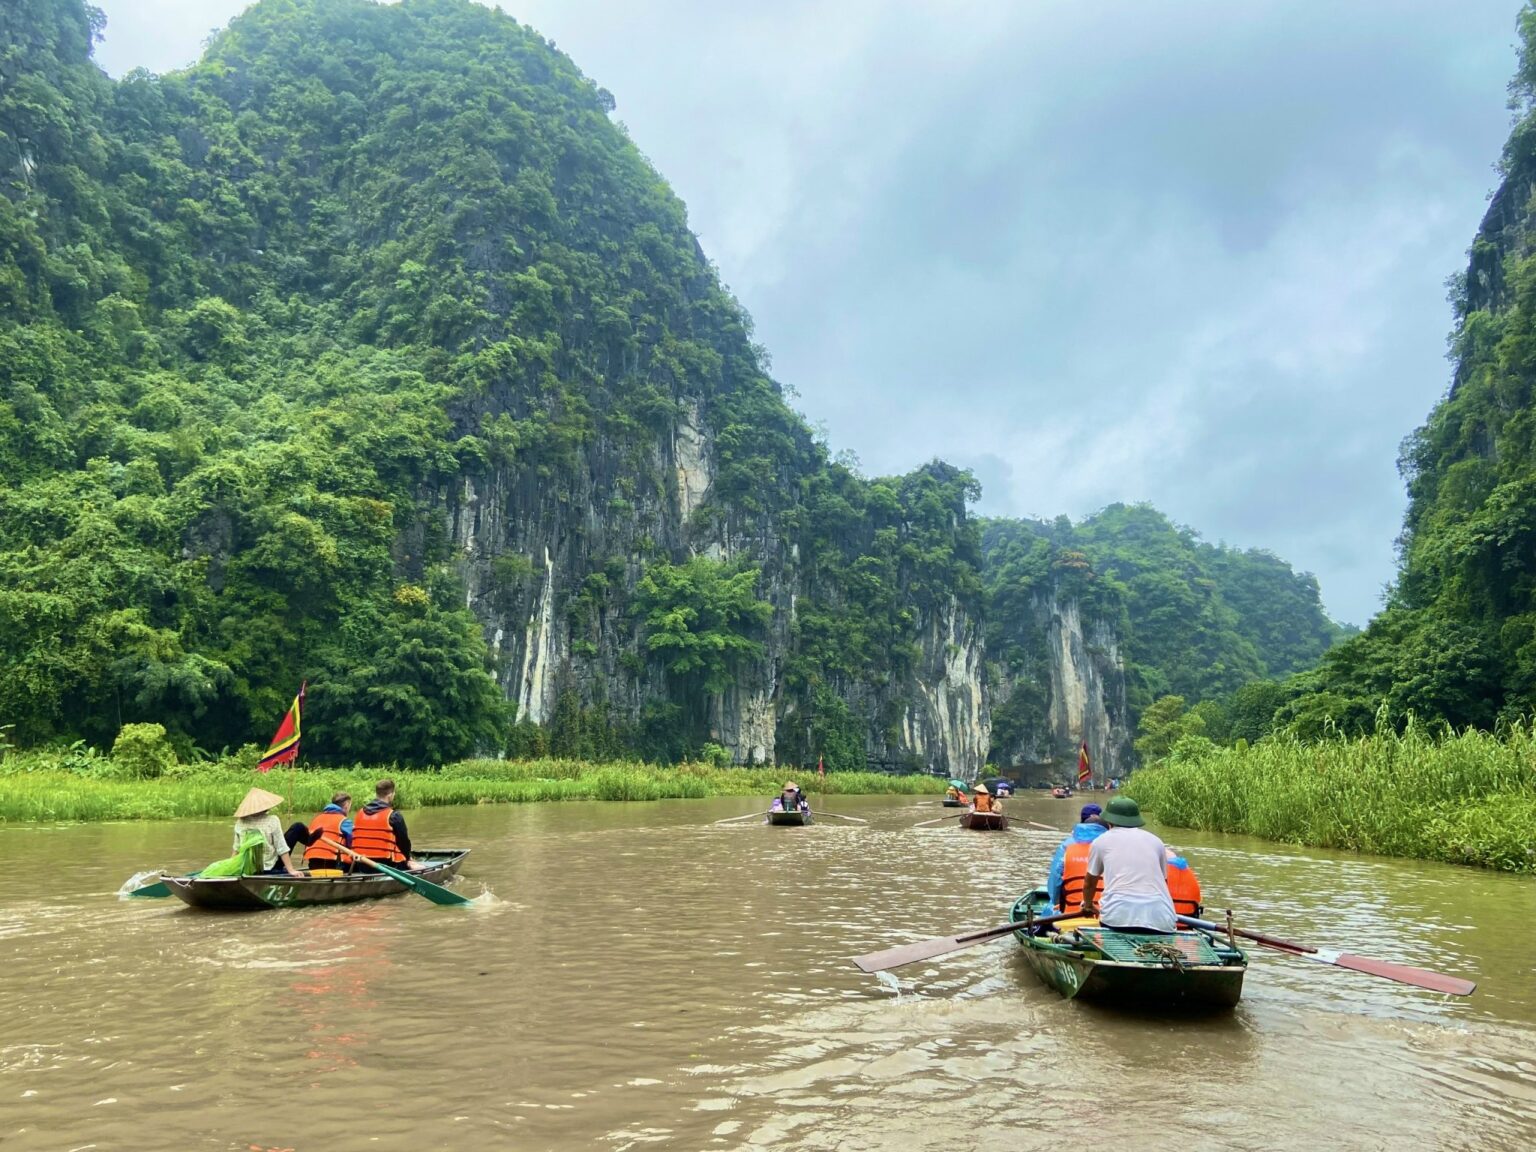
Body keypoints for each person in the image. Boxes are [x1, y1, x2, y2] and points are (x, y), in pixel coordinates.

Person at [1080, 797, 1177, 933]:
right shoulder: (1156, 841)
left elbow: (1089, 883)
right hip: (1162, 918)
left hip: (1117, 917)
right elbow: (1163, 882)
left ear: (1108, 820)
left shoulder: (1100, 842)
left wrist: (1088, 905)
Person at [231, 787, 303, 877]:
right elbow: (281, 847)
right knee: (297, 828)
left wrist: (232, 869)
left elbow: (236, 849)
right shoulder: (272, 820)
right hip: (268, 868)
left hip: (246, 868)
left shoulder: (240, 822)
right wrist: (291, 870)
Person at [1049, 803, 1107, 912]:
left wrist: (1057, 903)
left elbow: (1056, 879)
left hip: (1071, 911)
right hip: (1104, 913)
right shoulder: (1111, 848)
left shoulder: (1068, 846)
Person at [351, 779, 414, 867]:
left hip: (361, 864)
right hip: (385, 865)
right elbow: (403, 842)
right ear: (390, 795)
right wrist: (408, 859)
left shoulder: (359, 813)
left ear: (376, 794)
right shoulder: (393, 815)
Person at [302, 792, 355, 871]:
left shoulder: (316, 819)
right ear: (347, 805)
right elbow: (354, 842)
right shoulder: (345, 821)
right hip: (333, 865)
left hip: (313, 863)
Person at [1164, 846, 1203, 919]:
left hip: (1163, 921)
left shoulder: (1159, 873)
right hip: (1189, 921)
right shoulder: (1189, 874)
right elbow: (1199, 900)